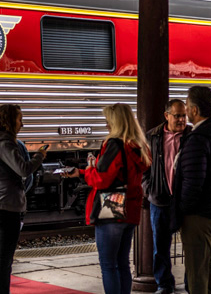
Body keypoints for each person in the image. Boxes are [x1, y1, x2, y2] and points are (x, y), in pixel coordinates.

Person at [63, 103, 150, 294]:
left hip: (112, 204)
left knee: (108, 264)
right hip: (131, 205)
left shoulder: (114, 144)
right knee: (122, 262)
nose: (106, 124)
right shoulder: (138, 145)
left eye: (108, 120)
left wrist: (88, 170)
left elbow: (102, 179)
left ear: (115, 122)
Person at [172, 86, 211, 294]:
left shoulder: (197, 140)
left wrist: (182, 210)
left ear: (195, 110)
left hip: (200, 217)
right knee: (206, 263)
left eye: (188, 106)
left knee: (196, 273)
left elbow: (192, 183)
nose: (187, 110)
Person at [0, 104, 46, 294]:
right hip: (7, 204)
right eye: (19, 119)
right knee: (5, 259)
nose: (22, 124)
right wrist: (39, 156)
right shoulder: (5, 143)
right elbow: (23, 169)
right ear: (10, 121)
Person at [143, 99, 192, 294]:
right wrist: (149, 189)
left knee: (191, 246)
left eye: (183, 115)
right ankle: (164, 284)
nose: (181, 120)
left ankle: (191, 283)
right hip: (160, 198)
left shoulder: (191, 136)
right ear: (166, 116)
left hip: (185, 201)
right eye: (177, 116)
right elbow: (144, 167)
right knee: (160, 246)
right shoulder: (152, 137)